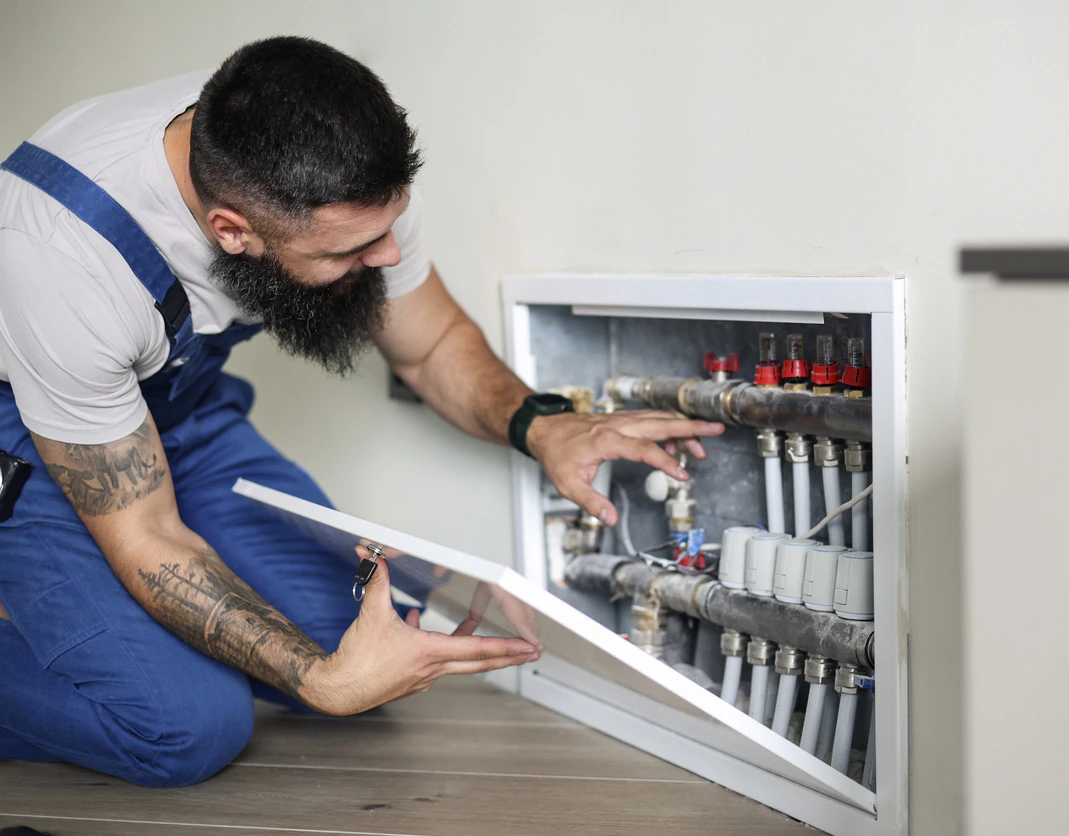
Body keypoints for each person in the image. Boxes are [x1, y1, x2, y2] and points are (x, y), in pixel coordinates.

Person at [0, 36, 723, 788]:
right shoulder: (60, 257)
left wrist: (544, 425)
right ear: (231, 231)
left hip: (178, 404)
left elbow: (429, 342)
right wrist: (320, 681)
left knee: (361, 641)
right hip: (35, 436)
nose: (386, 257)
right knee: (186, 726)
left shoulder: (325, 152)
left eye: (389, 228)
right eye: (351, 250)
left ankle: (105, 632)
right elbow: (147, 534)